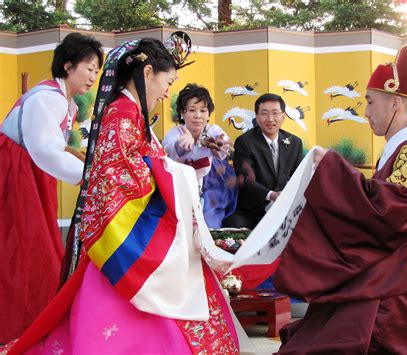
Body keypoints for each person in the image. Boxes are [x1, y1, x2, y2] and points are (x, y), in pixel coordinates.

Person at [6, 36, 241, 354]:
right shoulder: (120, 114)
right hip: (124, 234)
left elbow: (138, 165)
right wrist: (174, 174)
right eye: (168, 81)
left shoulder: (130, 114)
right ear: (147, 74)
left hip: (129, 227)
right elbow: (118, 174)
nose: (168, 91)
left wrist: (172, 171)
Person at [273, 36, 407, 353]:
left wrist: (334, 171)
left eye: (370, 101)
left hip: (402, 284)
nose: (365, 111)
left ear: (395, 103)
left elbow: (390, 210)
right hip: (398, 276)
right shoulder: (400, 150)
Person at [0, 32, 103, 344]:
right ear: (68, 65)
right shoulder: (48, 98)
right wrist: (89, 175)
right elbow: (45, 150)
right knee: (25, 251)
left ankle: (33, 327)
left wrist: (79, 159)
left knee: (37, 249)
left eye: (97, 71)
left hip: (31, 176)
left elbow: (52, 147)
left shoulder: (64, 102)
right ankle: (20, 330)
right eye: (89, 68)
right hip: (15, 175)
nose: (93, 76)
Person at [224, 93, 303, 229]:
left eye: (275, 113)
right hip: (253, 210)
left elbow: (299, 177)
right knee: (232, 227)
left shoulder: (294, 142)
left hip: (283, 209)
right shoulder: (245, 142)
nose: (270, 119)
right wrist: (271, 195)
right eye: (264, 113)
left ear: (283, 117)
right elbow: (246, 179)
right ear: (257, 117)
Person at [163, 83, 237, 228]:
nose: (198, 116)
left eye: (203, 110)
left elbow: (222, 147)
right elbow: (170, 147)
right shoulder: (176, 132)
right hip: (179, 183)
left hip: (210, 181)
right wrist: (183, 144)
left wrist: (218, 146)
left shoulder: (213, 130)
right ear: (182, 113)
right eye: (192, 110)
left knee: (209, 220)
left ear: (209, 114)